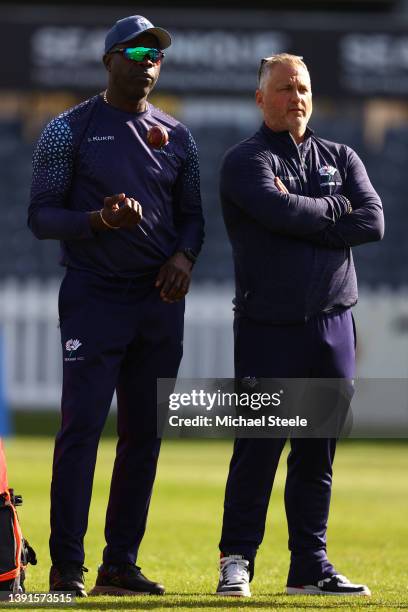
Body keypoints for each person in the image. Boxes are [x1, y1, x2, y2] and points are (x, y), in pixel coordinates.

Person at [28, 15, 204, 597]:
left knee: (143, 434)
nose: (148, 57)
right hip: (94, 297)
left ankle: (119, 566)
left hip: (157, 300)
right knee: (80, 430)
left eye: (156, 51)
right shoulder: (68, 129)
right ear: (109, 60)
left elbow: (194, 218)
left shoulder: (178, 136)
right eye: (135, 49)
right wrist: (98, 220)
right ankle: (67, 570)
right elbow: (41, 217)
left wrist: (183, 257)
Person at [216, 53, 383, 598]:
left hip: (334, 325)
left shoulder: (341, 154)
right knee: (259, 447)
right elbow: (277, 212)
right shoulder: (246, 161)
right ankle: (236, 560)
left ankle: (309, 567)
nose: (297, 97)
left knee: (318, 453)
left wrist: (307, 211)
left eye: (304, 87)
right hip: (269, 327)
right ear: (261, 98)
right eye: (285, 89)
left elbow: (373, 222)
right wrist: (336, 212)